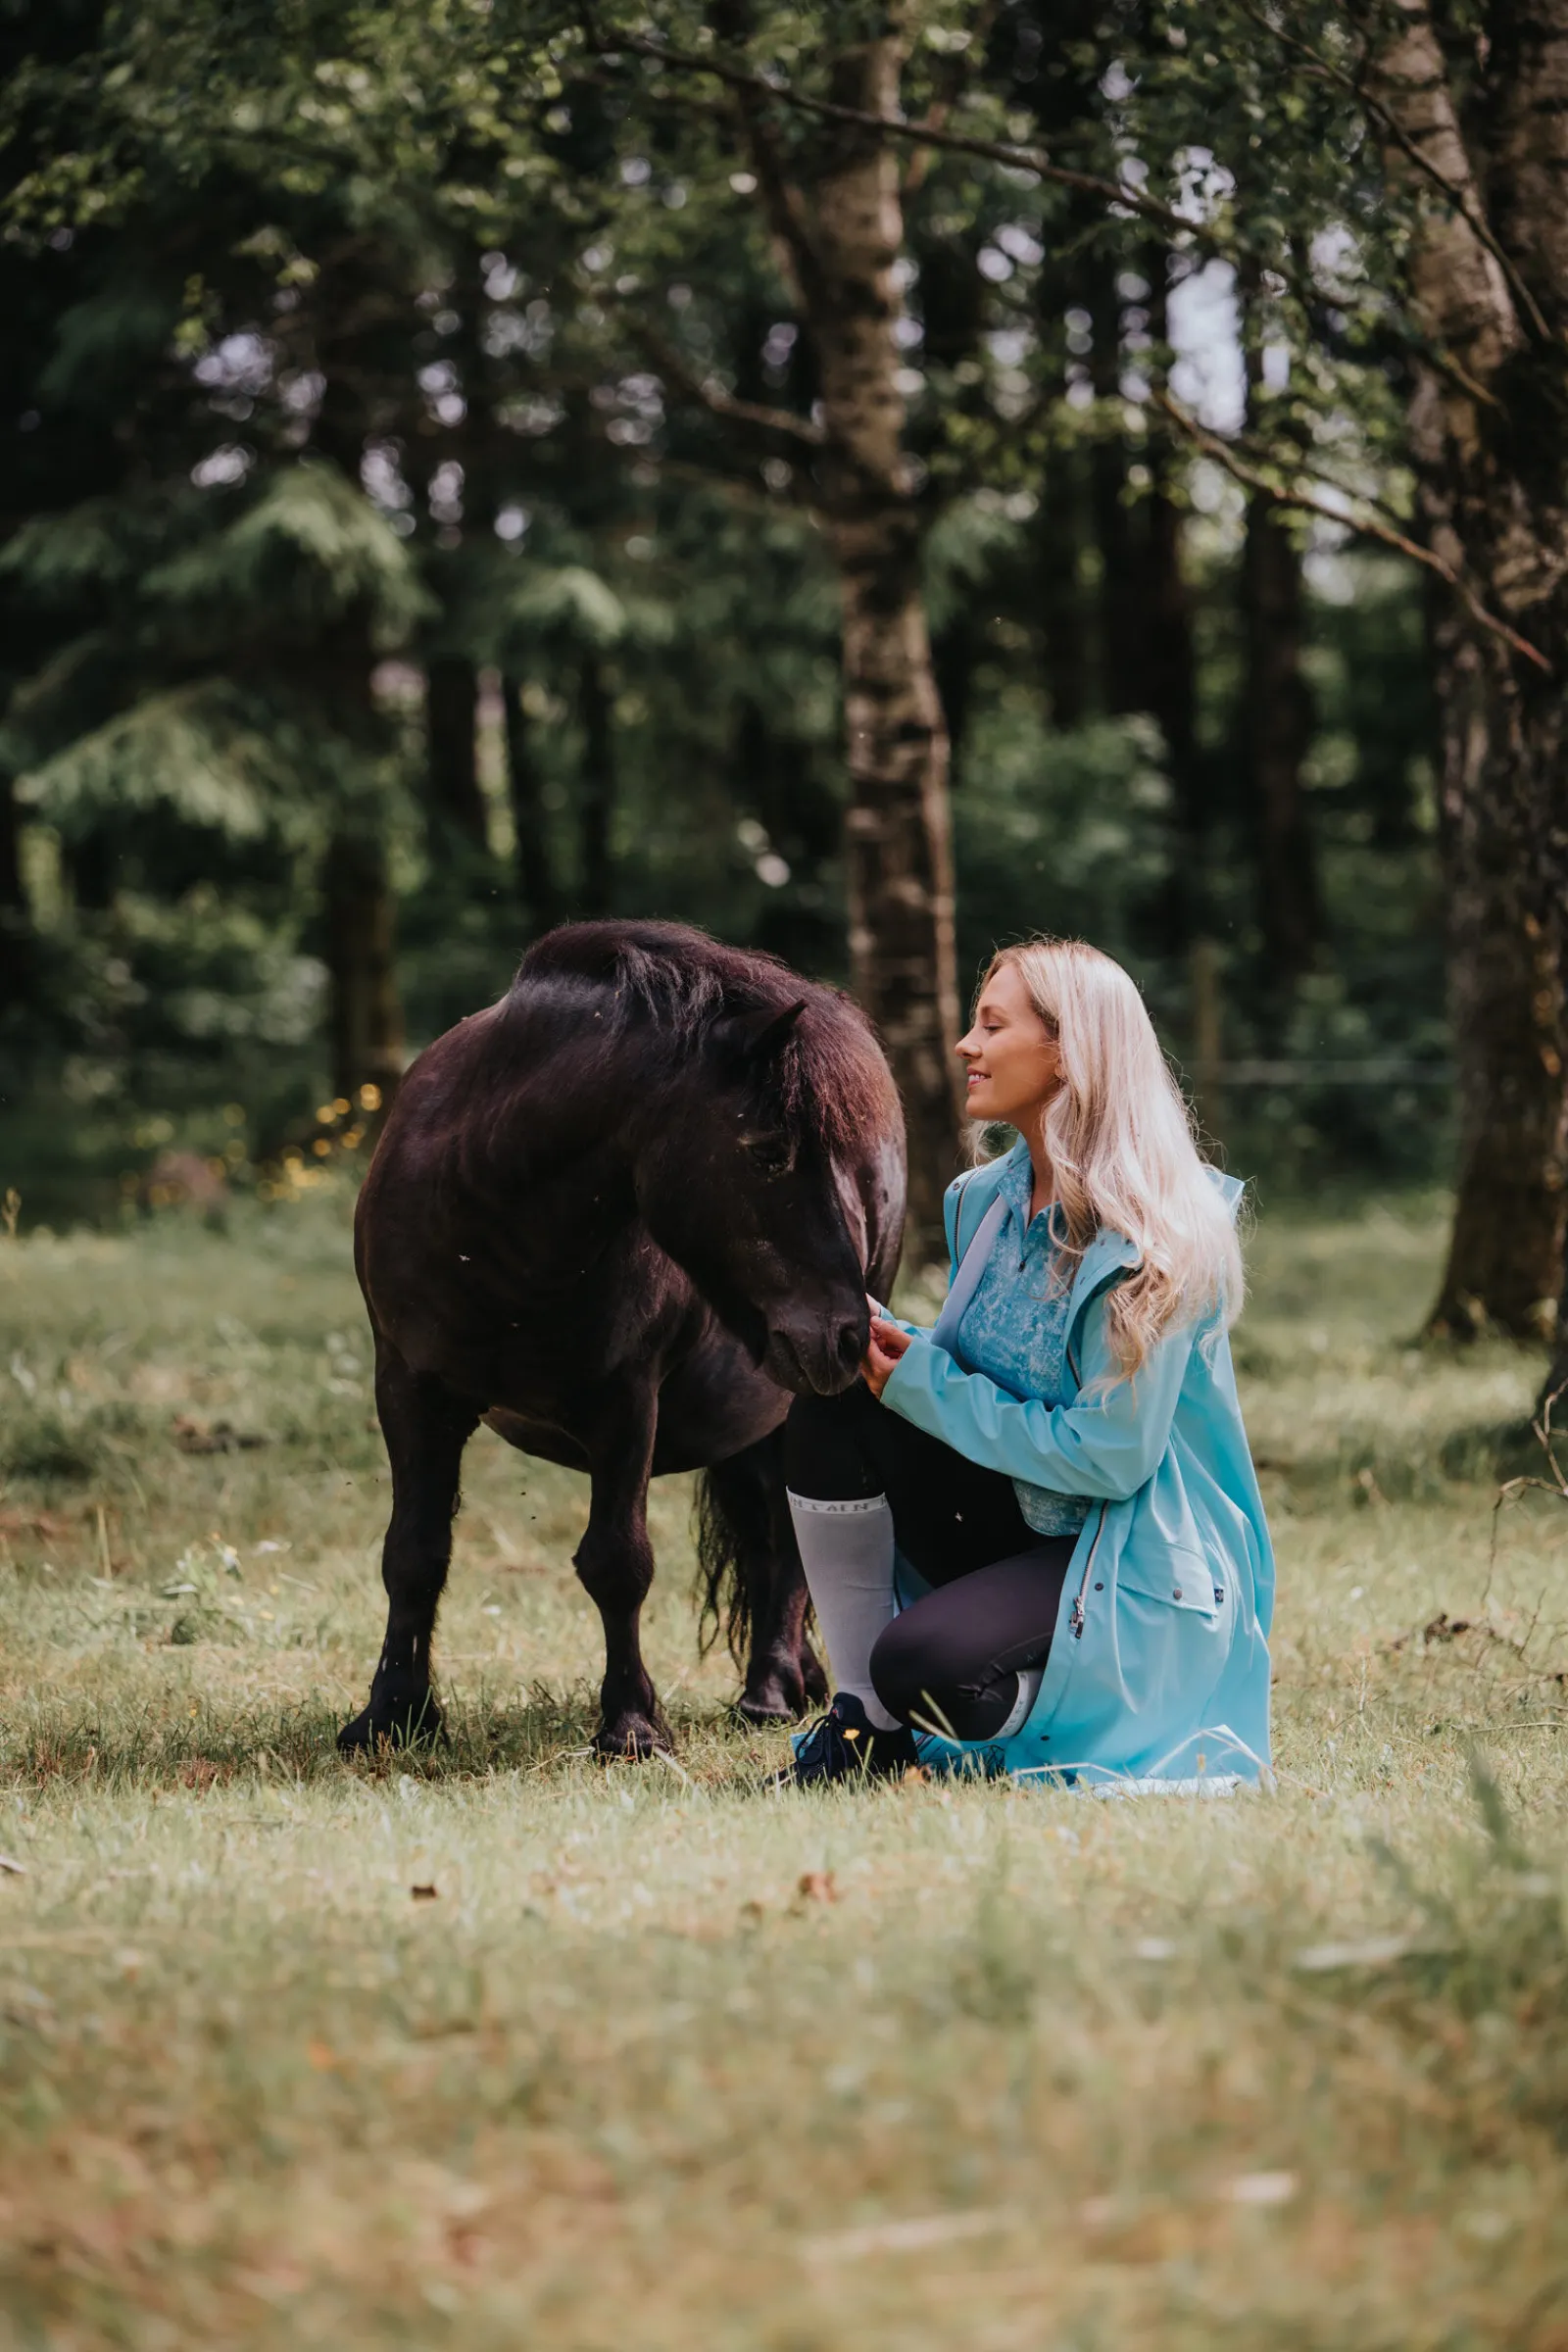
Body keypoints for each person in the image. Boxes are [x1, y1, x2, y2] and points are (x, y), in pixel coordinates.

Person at [782, 937, 1274, 1790]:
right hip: (1010, 1516)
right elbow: (976, 1377)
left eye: (992, 1025)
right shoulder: (983, 1202)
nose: (967, 1046)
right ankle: (865, 1729)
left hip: (1123, 1553)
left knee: (925, 1670)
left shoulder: (1160, 1236)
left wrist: (926, 1385)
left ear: (1067, 1052)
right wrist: (896, 1348)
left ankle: (1084, 1697)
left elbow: (1110, 1460)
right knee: (833, 1391)